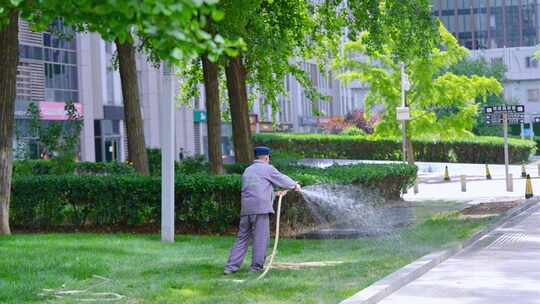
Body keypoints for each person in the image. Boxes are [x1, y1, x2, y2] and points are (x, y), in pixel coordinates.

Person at [224, 146, 301, 274]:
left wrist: (275, 194)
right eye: (269, 157)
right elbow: (282, 179)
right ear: (266, 157)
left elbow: (256, 189)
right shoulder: (267, 168)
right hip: (260, 210)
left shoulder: (248, 170)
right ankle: (256, 268)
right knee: (260, 238)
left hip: (246, 209)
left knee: (242, 238)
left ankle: (230, 267)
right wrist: (294, 185)